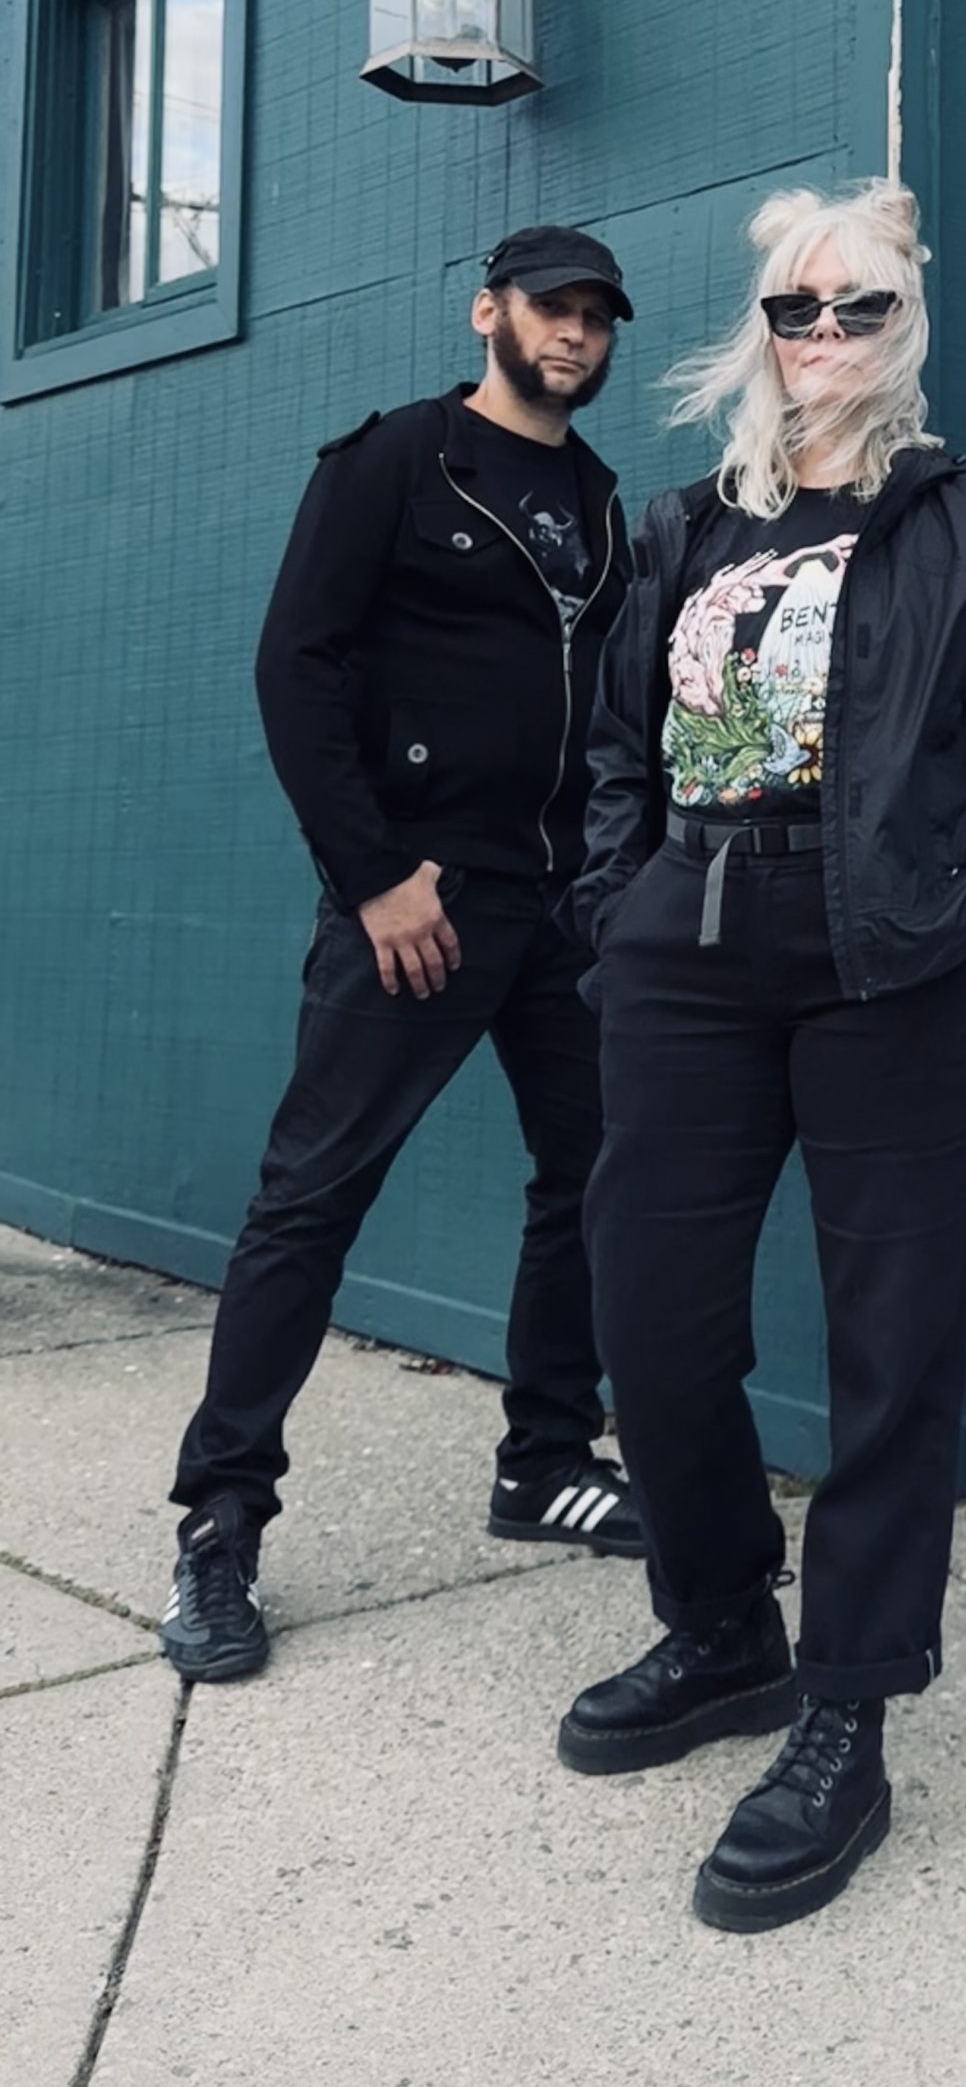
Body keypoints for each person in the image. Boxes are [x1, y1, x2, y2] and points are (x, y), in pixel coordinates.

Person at [556, 180, 966, 1931]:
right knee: (651, 1310)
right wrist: (621, 911)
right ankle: (724, 1630)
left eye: (862, 306)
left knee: (891, 1350)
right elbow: (620, 747)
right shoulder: (685, 527)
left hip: (896, 968)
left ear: (905, 325)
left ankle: (848, 1711)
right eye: (800, 307)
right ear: (765, 331)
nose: (827, 335)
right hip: (688, 949)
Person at [158, 226, 647, 1685]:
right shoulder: (394, 462)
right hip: (419, 905)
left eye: (597, 317)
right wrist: (372, 877)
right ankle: (220, 1523)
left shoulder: (601, 499)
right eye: (552, 309)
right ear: (489, 311)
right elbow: (295, 666)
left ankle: (545, 1461)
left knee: (592, 1179)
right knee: (311, 1200)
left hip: (563, 909)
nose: (575, 334)